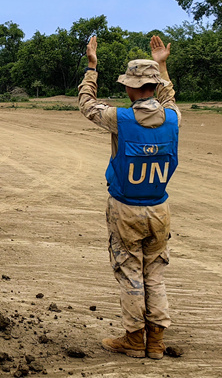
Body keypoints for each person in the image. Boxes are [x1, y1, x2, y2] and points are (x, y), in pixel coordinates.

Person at [78, 35, 181, 360]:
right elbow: (170, 97)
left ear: (129, 88)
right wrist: (162, 63)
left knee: (130, 272)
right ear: (153, 85)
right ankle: (156, 341)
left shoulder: (120, 119)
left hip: (126, 209)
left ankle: (135, 338)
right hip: (159, 208)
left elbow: (87, 105)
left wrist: (92, 67)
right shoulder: (174, 118)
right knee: (155, 274)